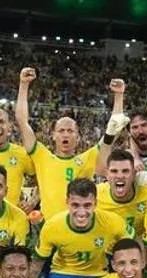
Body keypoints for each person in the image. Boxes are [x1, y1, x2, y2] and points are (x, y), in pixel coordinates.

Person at [15, 68, 126, 221]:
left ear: (78, 137)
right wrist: (23, 85)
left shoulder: (87, 158)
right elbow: (22, 121)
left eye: (70, 131)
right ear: (53, 135)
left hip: (78, 225)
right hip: (49, 227)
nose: (65, 134)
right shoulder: (42, 156)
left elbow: (114, 130)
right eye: (61, 131)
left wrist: (119, 95)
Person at [95, 149, 147, 238]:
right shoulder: (95, 195)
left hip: (140, 243)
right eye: (114, 171)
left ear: (134, 174)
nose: (120, 176)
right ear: (107, 175)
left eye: (125, 171)